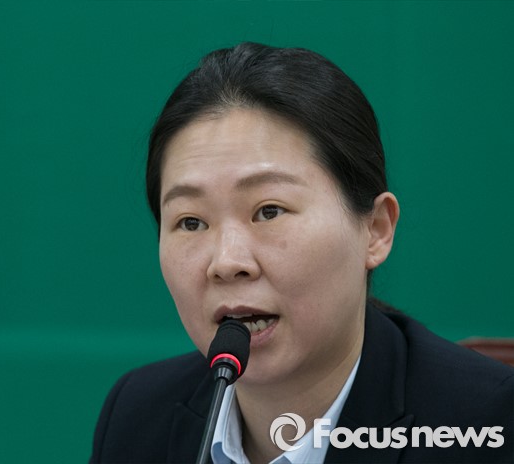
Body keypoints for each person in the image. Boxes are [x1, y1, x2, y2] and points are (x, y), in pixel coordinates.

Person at [89, 43, 514, 463]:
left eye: (269, 211)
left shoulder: (487, 427)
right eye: (191, 222)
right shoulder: (138, 416)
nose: (227, 262)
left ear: (376, 230)